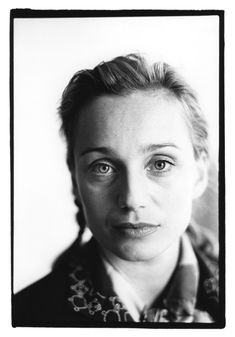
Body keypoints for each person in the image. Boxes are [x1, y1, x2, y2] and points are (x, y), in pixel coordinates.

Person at [13, 54, 219, 326]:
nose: (132, 199)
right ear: (75, 180)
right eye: (103, 167)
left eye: (160, 163)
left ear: (199, 173)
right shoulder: (23, 317)